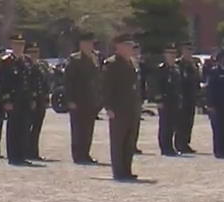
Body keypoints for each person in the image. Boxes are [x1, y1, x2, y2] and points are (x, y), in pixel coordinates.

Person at [102, 34, 142, 180]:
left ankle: (127, 169)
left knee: (130, 141)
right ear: (118, 47)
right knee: (118, 141)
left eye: (131, 45)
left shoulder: (132, 62)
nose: (130, 48)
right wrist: (108, 107)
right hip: (118, 109)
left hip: (132, 108)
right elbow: (106, 87)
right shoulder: (112, 64)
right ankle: (119, 171)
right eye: (127, 45)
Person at [64, 32, 103, 165]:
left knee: (88, 128)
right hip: (78, 99)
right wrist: (70, 100)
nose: (89, 46)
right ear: (81, 44)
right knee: (78, 129)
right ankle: (78, 155)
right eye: (87, 43)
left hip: (91, 99)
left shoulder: (96, 57)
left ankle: (86, 153)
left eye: (91, 43)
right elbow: (68, 81)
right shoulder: (75, 59)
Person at [0, 35, 35, 166]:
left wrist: (32, 97)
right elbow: (3, 83)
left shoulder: (27, 61)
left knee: (24, 128)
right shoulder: (7, 62)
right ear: (11, 45)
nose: (19, 47)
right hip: (13, 100)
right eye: (16, 44)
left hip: (25, 100)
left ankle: (22, 154)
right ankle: (13, 156)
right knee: (13, 129)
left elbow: (31, 81)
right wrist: (6, 100)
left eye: (21, 44)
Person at [151, 44, 184, 156]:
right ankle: (165, 147)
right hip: (165, 100)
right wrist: (158, 99)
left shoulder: (176, 68)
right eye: (169, 53)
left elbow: (178, 85)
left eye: (174, 53)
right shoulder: (161, 69)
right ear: (165, 55)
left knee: (173, 124)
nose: (172, 56)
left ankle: (171, 146)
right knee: (165, 124)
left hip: (174, 100)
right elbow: (156, 85)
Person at [25, 42, 50, 161]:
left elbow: (45, 83)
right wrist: (32, 99)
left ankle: (33, 151)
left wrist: (46, 98)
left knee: (37, 128)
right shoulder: (26, 65)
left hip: (40, 101)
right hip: (30, 101)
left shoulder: (41, 66)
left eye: (36, 52)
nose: (34, 54)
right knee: (27, 127)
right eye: (31, 52)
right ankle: (25, 150)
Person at [176, 41, 201, 154]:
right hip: (182, 96)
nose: (189, 52)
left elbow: (196, 80)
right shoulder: (178, 64)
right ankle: (179, 144)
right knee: (181, 122)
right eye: (187, 50)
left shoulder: (193, 64)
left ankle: (185, 143)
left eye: (191, 50)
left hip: (191, 96)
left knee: (189, 122)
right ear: (182, 51)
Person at [205, 44, 224, 158]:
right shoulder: (214, 72)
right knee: (218, 129)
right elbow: (210, 89)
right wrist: (210, 104)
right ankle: (218, 150)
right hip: (217, 105)